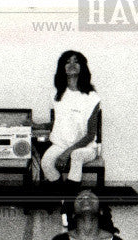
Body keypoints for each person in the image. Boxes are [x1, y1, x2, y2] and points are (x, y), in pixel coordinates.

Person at [41, 51, 101, 186]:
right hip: (61, 144)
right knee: (46, 162)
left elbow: (91, 135)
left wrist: (68, 152)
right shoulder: (57, 94)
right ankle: (66, 199)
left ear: (82, 67)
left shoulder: (92, 97)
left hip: (86, 147)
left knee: (76, 156)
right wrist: (38, 125)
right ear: (62, 67)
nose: (72, 64)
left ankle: (67, 206)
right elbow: (61, 122)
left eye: (76, 61)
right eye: (67, 62)